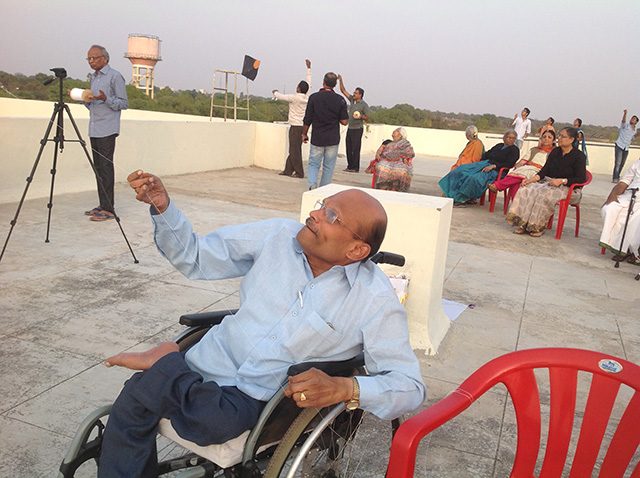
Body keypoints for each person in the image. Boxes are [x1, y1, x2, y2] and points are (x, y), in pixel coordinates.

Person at [96, 170, 426, 477]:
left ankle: (166, 364)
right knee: (128, 407)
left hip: (249, 393)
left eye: (331, 216)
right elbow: (195, 257)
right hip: (208, 358)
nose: (313, 215)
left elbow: (410, 386)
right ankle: (170, 367)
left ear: (356, 249)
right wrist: (163, 208)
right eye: (321, 206)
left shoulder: (374, 300)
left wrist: (344, 388)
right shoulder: (276, 235)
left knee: (207, 419)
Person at [506, 127, 587, 237]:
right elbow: (544, 171)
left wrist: (562, 181)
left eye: (562, 136)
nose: (559, 138)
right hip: (550, 183)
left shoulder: (579, 156)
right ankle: (523, 224)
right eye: (559, 135)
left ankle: (537, 226)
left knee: (545, 194)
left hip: (569, 188)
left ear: (571, 139)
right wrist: (530, 180)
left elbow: (581, 178)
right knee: (527, 188)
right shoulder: (555, 152)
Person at [81, 45, 128, 222]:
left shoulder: (114, 76)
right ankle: (102, 204)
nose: (91, 61)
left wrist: (105, 98)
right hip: (94, 128)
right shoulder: (94, 78)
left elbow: (123, 103)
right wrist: (85, 99)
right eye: (89, 59)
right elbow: (95, 104)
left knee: (106, 168)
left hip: (107, 129)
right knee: (98, 168)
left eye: (94, 58)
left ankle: (109, 209)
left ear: (105, 59)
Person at [439, 130, 519, 207]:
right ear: (504, 138)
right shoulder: (499, 145)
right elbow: (487, 153)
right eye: (509, 137)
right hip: (485, 164)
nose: (511, 140)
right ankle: (450, 192)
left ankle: (461, 199)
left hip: (497, 171)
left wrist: (494, 166)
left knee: (475, 178)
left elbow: (509, 163)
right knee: (462, 169)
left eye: (513, 138)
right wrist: (482, 161)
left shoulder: (514, 150)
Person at [302, 72, 349, 190]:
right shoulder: (340, 100)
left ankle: (312, 184)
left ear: (323, 82)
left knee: (314, 163)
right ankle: (323, 190)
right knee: (328, 166)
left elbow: (307, 119)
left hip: (317, 137)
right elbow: (344, 122)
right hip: (332, 138)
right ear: (335, 84)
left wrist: (304, 134)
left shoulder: (314, 97)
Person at [488, 129, 556, 202]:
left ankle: (498, 186)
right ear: (541, 138)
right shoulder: (534, 150)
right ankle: (515, 210)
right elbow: (521, 162)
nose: (546, 139)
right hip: (526, 170)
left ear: (553, 140)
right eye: (544, 137)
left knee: (520, 176)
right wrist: (518, 169)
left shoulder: (555, 152)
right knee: (517, 183)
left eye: (549, 137)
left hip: (540, 173)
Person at [273, 59, 312, 179]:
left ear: (299, 89)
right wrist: (308, 69)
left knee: (295, 151)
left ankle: (299, 172)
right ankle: (288, 170)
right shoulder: (307, 97)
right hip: (303, 127)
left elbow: (280, 96)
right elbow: (309, 83)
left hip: (295, 127)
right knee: (294, 148)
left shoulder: (294, 98)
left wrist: (275, 92)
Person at [600, 158, 640, 265]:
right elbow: (624, 182)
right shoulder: (637, 163)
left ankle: (634, 251)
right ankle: (621, 248)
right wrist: (612, 195)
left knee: (636, 219)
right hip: (630, 196)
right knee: (609, 208)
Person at [337, 74, 370, 173]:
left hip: (357, 129)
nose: (354, 94)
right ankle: (350, 166)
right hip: (350, 127)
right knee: (349, 147)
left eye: (356, 93)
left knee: (355, 148)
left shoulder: (364, 105)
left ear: (360, 95)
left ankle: (355, 167)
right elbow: (343, 91)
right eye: (354, 93)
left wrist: (360, 116)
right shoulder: (352, 100)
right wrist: (340, 80)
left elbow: (367, 117)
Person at [365, 127, 415, 192]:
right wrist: (378, 155)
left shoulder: (405, 143)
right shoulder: (387, 142)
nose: (394, 131)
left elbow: (409, 152)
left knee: (402, 169)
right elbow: (380, 151)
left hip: (399, 161)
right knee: (381, 167)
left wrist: (405, 157)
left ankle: (395, 188)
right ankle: (382, 187)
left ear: (400, 135)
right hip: (386, 160)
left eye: (396, 131)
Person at [612, 109, 639, 183]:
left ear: (636, 122)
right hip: (620, 145)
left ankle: (617, 176)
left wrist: (638, 134)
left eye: (634, 119)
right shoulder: (626, 126)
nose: (632, 120)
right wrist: (625, 114)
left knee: (622, 163)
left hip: (626, 148)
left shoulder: (635, 130)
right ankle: (615, 178)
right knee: (617, 162)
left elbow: (632, 138)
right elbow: (623, 121)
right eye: (631, 118)